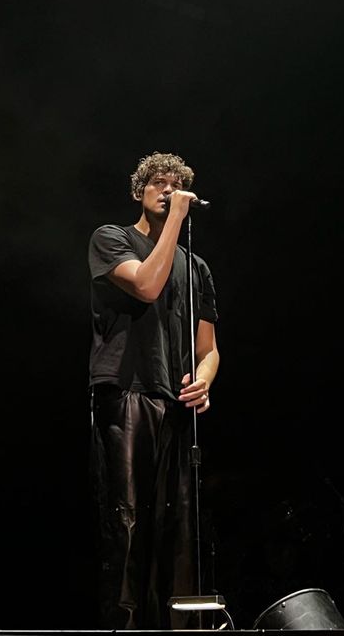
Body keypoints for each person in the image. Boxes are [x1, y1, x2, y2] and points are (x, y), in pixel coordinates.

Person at [87, 151, 220, 630]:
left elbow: (209, 348)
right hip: (126, 393)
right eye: (158, 184)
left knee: (178, 528)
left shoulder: (197, 268)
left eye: (176, 185)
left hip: (175, 405)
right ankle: (122, 628)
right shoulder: (111, 239)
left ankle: (178, 628)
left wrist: (204, 380)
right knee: (126, 524)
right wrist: (176, 221)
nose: (168, 191)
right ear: (138, 191)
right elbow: (144, 285)